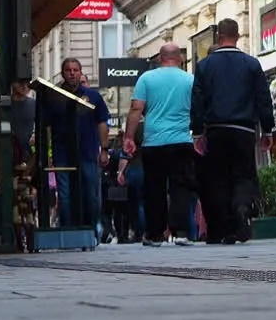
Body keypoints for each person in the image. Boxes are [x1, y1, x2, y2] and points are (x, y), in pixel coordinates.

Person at [191, 19, 274, 244]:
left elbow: (197, 101)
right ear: (237, 36)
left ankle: (225, 228)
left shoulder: (205, 65)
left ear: (219, 37)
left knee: (218, 178)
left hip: (216, 129)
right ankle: (241, 208)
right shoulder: (251, 64)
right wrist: (267, 130)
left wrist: (198, 132)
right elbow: (263, 99)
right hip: (244, 128)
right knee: (243, 174)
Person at [125, 43, 196, 246]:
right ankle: (181, 232)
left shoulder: (146, 79)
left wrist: (129, 137)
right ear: (180, 59)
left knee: (154, 188)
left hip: (153, 141)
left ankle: (155, 234)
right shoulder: (190, 79)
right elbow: (198, 109)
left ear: (159, 59)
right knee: (180, 186)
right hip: (181, 140)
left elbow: (136, 108)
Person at [43, 58, 110, 232]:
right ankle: (67, 229)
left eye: (75, 70)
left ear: (80, 72)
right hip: (62, 152)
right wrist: (48, 153)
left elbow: (102, 123)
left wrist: (104, 149)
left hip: (87, 151)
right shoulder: (54, 97)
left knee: (91, 194)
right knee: (64, 195)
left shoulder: (93, 96)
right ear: (63, 73)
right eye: (68, 70)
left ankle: (90, 228)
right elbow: (48, 127)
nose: (72, 73)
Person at [116, 119, 145, 244]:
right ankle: (151, 232)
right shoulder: (152, 127)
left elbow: (126, 153)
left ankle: (138, 232)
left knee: (135, 203)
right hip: (149, 167)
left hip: (134, 168)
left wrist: (120, 172)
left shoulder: (133, 128)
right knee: (147, 202)